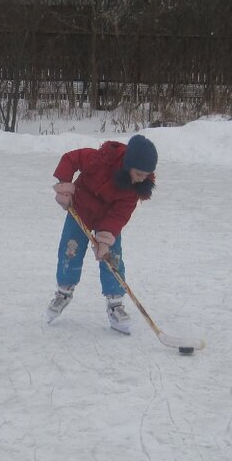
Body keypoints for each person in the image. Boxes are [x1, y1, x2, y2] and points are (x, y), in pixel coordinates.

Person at [44, 133, 157, 334]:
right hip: (80, 209)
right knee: (70, 250)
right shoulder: (100, 159)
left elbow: (119, 214)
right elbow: (70, 159)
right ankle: (64, 292)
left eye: (146, 175)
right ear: (128, 164)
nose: (142, 179)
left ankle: (115, 304)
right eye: (139, 173)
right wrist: (64, 187)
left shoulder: (135, 188)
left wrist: (105, 239)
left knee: (112, 257)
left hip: (107, 220)